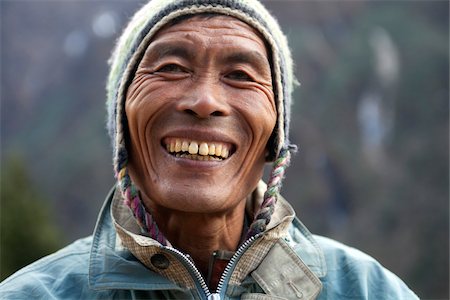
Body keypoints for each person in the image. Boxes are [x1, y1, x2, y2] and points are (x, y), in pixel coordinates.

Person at [0, 0, 419, 299]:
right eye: (170, 68)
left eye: (240, 74)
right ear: (122, 123)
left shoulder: (368, 290)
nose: (204, 101)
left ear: (275, 136)